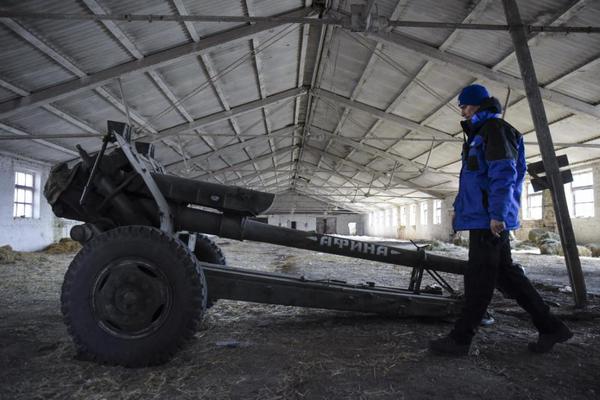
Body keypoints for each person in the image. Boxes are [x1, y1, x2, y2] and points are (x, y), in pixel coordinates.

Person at [429, 84, 572, 356]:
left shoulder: (494, 130)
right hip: (482, 217)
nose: (462, 110)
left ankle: (460, 339)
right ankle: (551, 326)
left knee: (479, 277)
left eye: (465, 105)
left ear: (479, 105)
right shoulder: (480, 133)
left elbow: (503, 174)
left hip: (488, 220)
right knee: (506, 275)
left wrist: (497, 214)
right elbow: (477, 178)